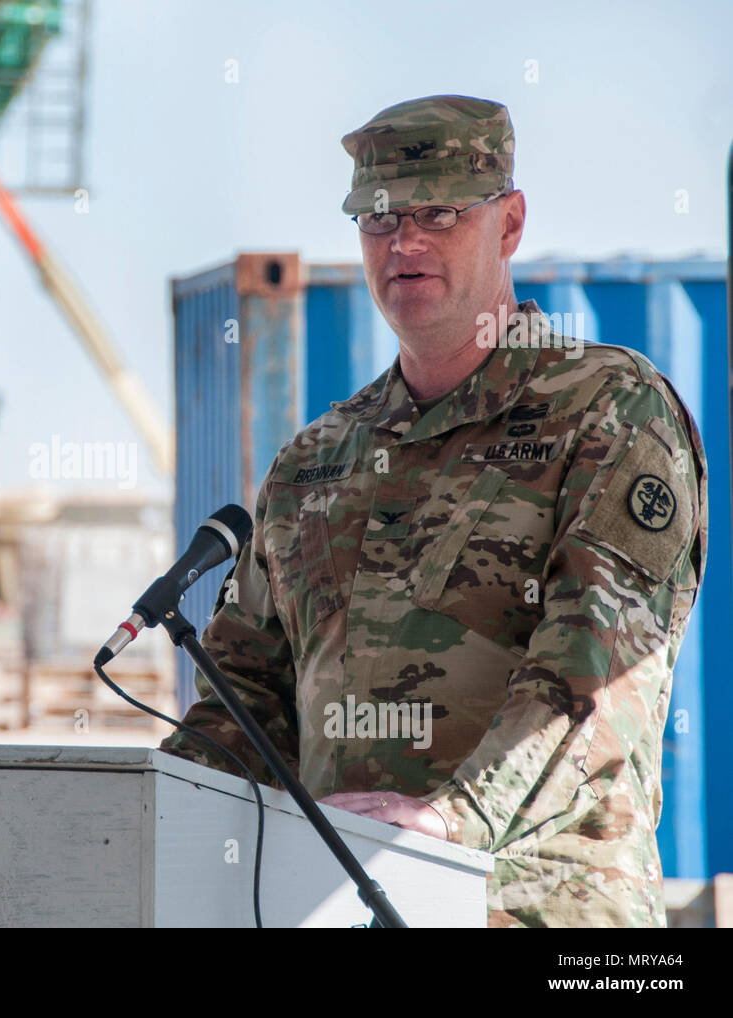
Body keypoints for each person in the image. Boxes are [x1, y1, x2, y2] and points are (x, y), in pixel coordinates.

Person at [158, 94, 708, 927]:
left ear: (510, 223)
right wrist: (141, 820)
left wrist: (453, 822)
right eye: (379, 219)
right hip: (343, 909)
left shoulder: (606, 409)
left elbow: (593, 673)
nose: (404, 242)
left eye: (439, 213)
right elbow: (242, 704)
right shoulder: (315, 461)